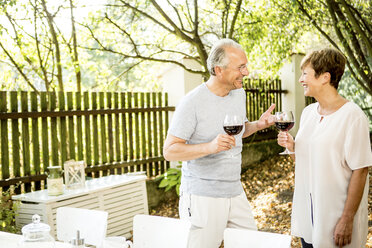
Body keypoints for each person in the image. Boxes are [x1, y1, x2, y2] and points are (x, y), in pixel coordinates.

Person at [163, 38, 275, 248]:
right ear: (218, 70)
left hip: (234, 190)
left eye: (246, 66)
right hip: (202, 196)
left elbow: (238, 132)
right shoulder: (192, 102)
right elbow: (169, 151)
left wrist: (259, 125)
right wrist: (210, 147)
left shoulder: (238, 94)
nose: (247, 72)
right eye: (240, 67)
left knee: (252, 244)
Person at [277, 48, 371, 248]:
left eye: (305, 74)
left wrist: (347, 219)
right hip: (308, 212)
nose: (301, 79)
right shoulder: (309, 113)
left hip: (336, 215)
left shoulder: (353, 116)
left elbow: (361, 170)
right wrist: (293, 148)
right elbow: (305, 161)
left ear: (325, 78)